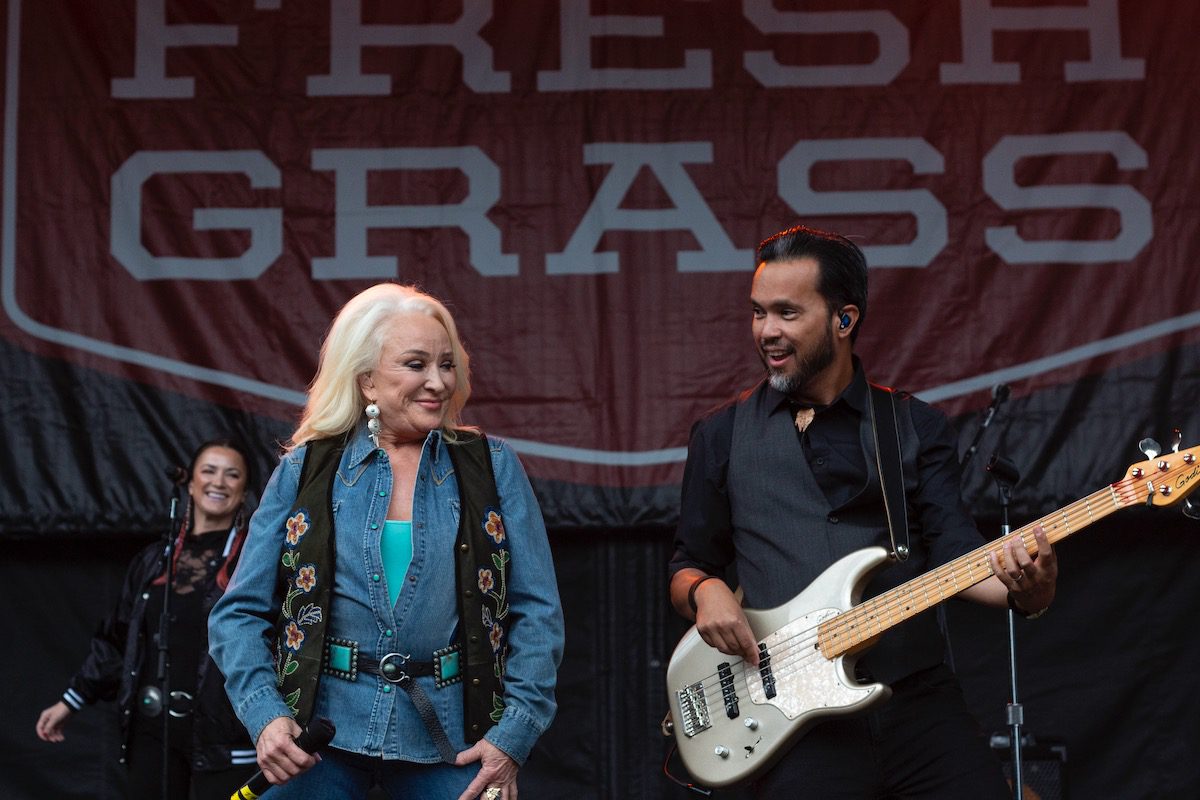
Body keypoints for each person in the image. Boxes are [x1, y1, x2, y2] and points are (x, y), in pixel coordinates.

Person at [668, 224, 1058, 797]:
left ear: (843, 320)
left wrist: (1032, 588)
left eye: (786, 314)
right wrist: (705, 590)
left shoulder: (910, 425)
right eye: (758, 313)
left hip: (916, 701)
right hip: (799, 724)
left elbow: (956, 553)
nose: (767, 332)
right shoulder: (722, 436)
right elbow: (687, 566)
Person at [208, 283, 564, 800]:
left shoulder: (492, 465)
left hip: (453, 743)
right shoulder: (305, 469)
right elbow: (237, 613)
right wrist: (266, 717)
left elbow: (539, 614)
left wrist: (512, 737)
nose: (438, 382)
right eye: (416, 364)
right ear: (367, 381)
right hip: (319, 739)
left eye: (447, 365)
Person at [35, 438, 261, 799]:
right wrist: (71, 700)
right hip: (152, 734)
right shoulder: (153, 560)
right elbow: (119, 640)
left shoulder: (254, 562)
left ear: (244, 491)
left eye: (232, 475)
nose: (218, 482)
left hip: (223, 743)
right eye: (208, 471)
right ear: (190, 484)